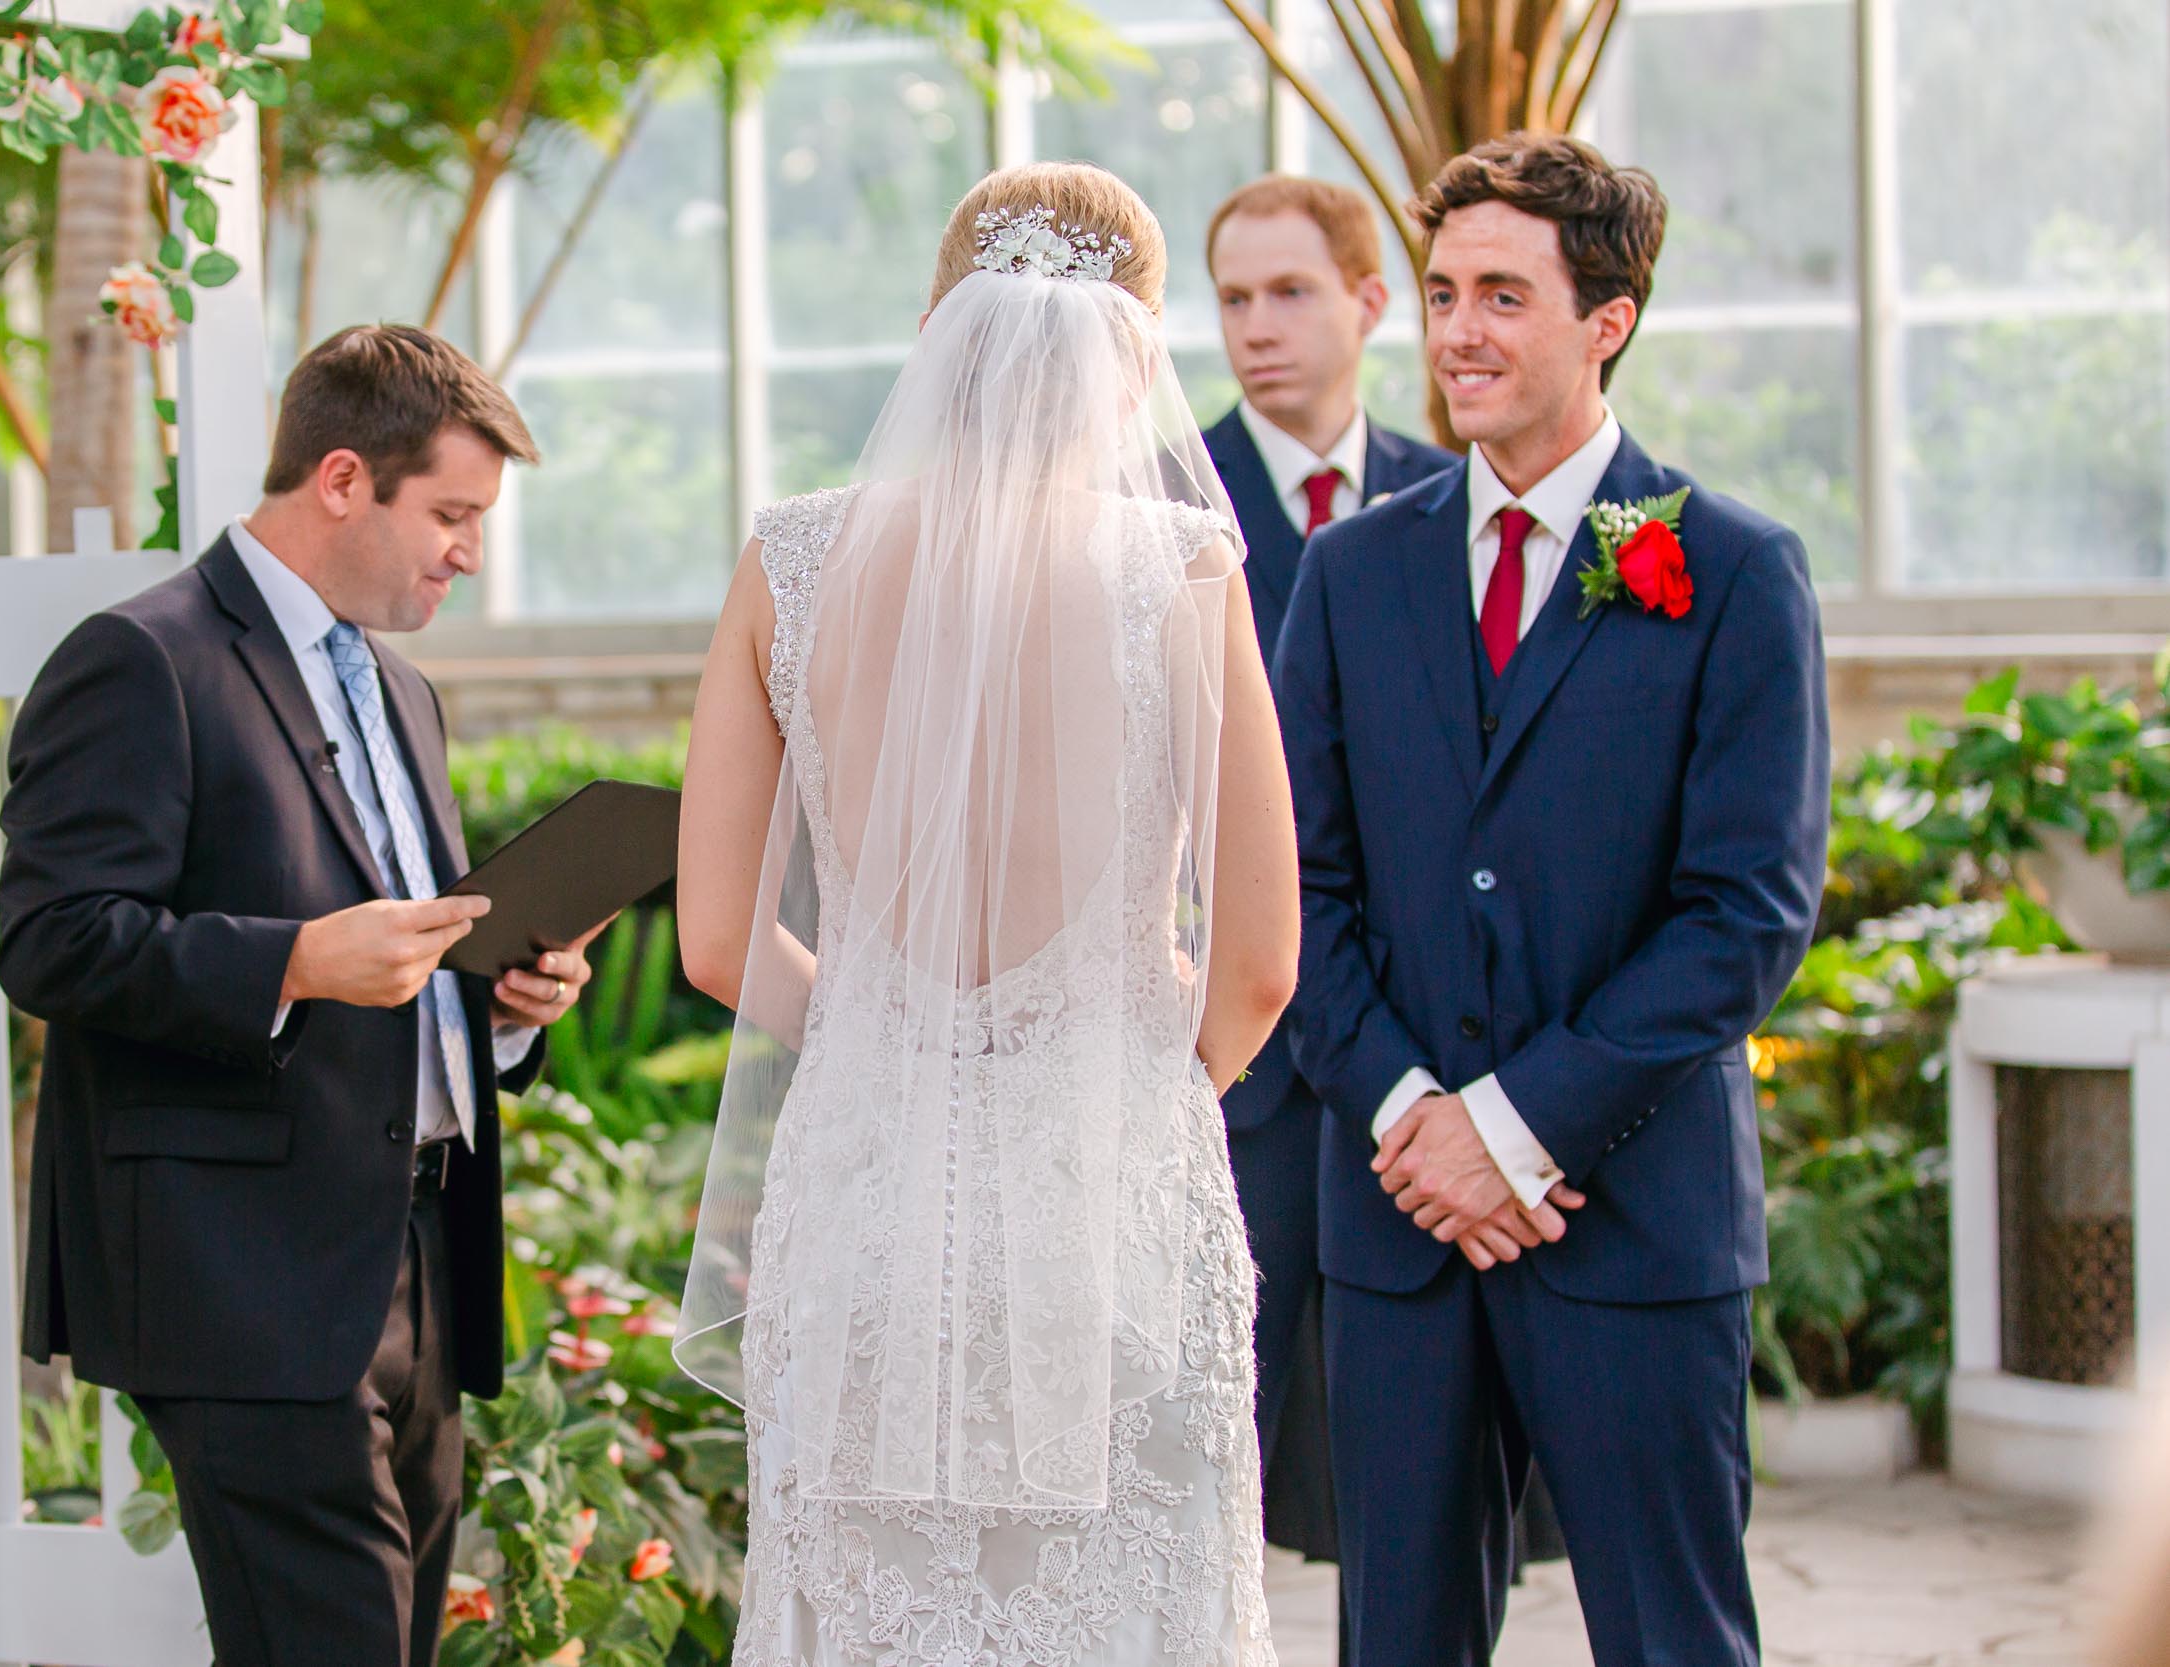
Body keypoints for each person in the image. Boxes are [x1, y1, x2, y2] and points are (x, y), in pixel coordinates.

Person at [672, 161, 1299, 1667]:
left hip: (867, 1205)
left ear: (934, 332)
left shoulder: (793, 560)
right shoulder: (1181, 567)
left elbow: (713, 941)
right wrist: (1109, 1079)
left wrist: (905, 1062)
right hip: (1114, 1214)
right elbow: (1263, 967)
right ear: (1135, 354)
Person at [1273, 134, 1829, 1666]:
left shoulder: (1728, 570)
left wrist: (1507, 1131)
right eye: (1445, 293)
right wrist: (1410, 1121)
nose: (1459, 332)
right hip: (1397, 1231)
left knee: (1674, 1642)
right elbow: (1298, 887)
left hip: (1635, 1225)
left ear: (1610, 319)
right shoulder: (1351, 573)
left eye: (1504, 295)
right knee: (1396, 1643)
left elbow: (1747, 914)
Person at [0, 324, 601, 1667]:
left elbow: (402, 949)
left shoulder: (405, 688)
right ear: (341, 479)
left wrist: (501, 1007)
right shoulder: (139, 659)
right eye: (450, 513)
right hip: (242, 1272)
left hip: (425, 1259)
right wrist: (292, 960)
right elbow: (51, 941)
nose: (467, 551)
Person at [1201, 173, 1454, 1565]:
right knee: (1218, 1459)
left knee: (1405, 1487)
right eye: (1233, 297)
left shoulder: (1455, 496)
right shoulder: (1162, 502)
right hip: (1240, 1053)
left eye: (1289, 292)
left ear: (1369, 302)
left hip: (1412, 1047)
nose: (1256, 327)